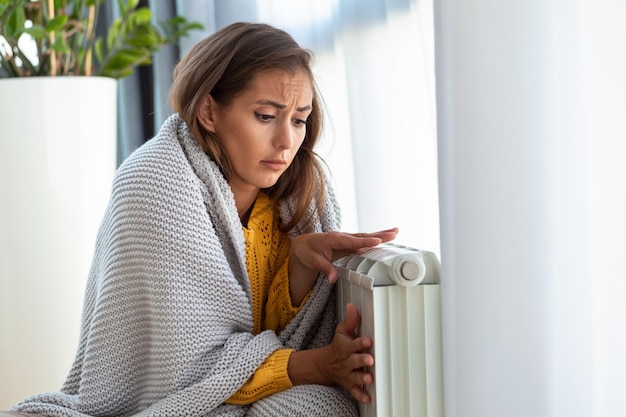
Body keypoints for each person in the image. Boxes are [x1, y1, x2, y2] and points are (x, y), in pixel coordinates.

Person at [3, 22, 398, 417]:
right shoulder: (156, 184)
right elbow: (191, 367)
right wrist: (320, 364)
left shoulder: (301, 195)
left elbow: (277, 337)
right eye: (265, 116)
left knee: (321, 406)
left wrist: (298, 269)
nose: (287, 141)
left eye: (299, 120)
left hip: (249, 390)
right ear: (209, 111)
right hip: (162, 400)